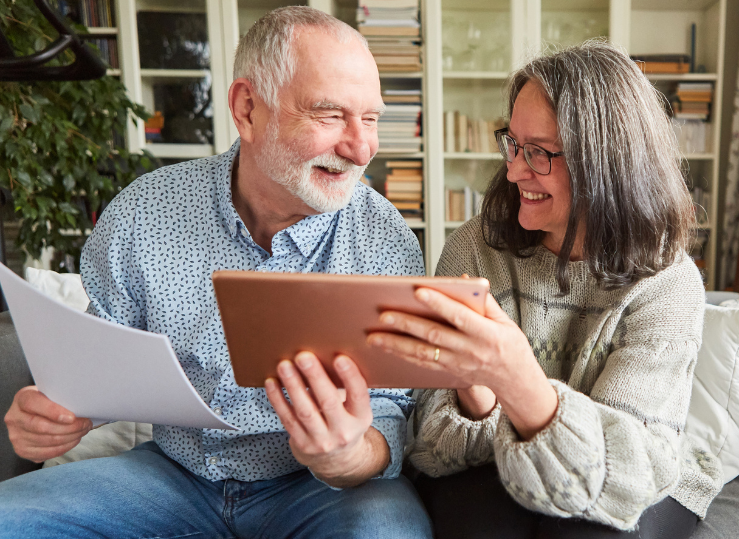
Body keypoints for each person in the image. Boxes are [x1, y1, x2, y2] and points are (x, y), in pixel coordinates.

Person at [0, 7, 431, 538]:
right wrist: (60, 412)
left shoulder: (383, 237)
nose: (361, 147)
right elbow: (101, 362)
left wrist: (351, 457)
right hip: (173, 476)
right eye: (328, 114)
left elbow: (394, 407)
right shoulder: (146, 211)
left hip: (321, 491)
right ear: (247, 108)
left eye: (370, 118)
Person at [366, 41, 723, 539]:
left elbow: (624, 474)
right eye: (512, 144)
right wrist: (476, 393)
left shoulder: (668, 280)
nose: (513, 171)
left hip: (634, 482)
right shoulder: (475, 249)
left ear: (606, 163)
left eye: (538, 153)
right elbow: (431, 448)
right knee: (473, 524)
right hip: (501, 466)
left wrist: (515, 376)